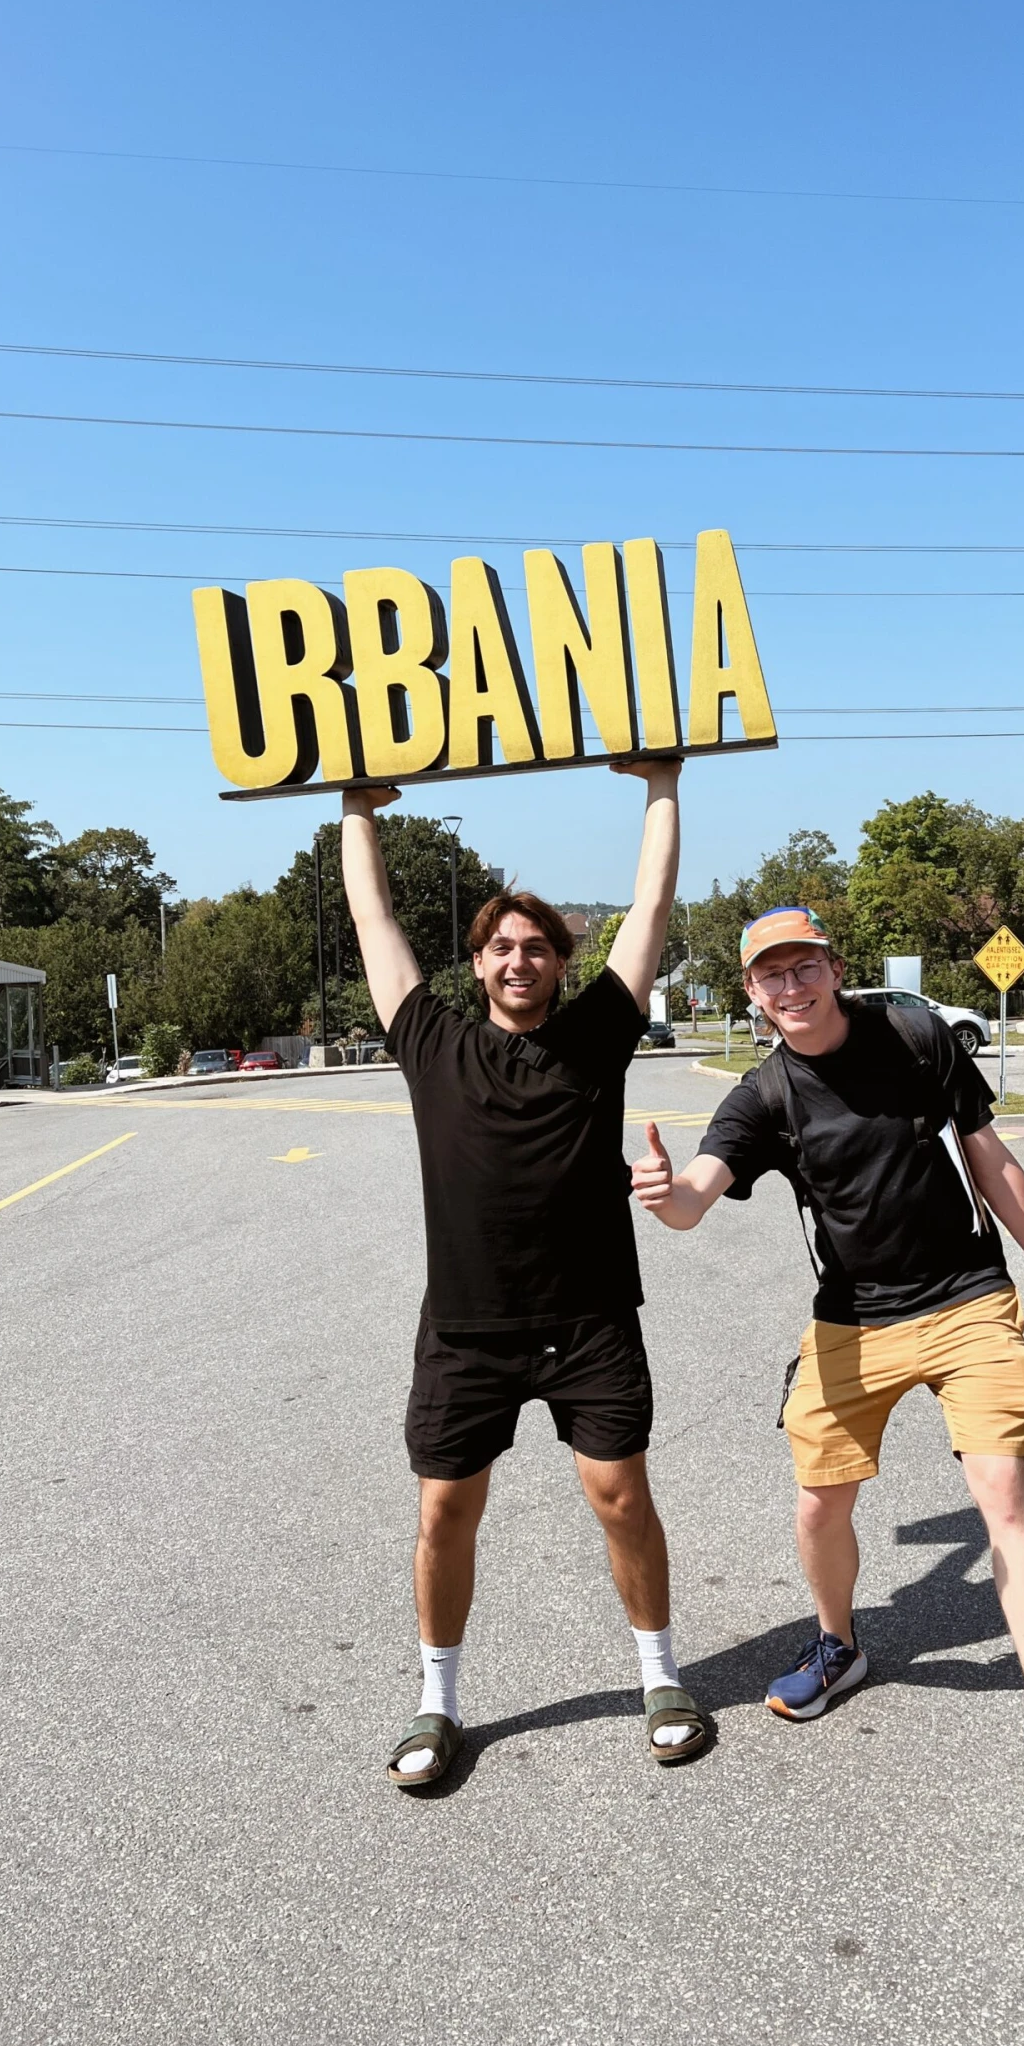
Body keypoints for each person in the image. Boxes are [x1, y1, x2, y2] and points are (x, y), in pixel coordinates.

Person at [631, 906, 1024, 1827]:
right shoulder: (765, 1095)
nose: (791, 986)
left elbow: (990, 1156)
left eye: (804, 966)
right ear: (752, 994)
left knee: (1003, 1490)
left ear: (835, 968)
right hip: (852, 1321)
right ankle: (840, 1644)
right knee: (820, 1498)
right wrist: (661, 1195)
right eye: (771, 975)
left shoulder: (916, 1035)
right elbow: (696, 1197)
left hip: (968, 1296)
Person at [342, 761, 708, 1787]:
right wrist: (355, 815)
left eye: (536, 947)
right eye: (501, 946)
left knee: (619, 1497)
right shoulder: (431, 1042)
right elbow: (374, 924)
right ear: (476, 965)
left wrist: (663, 785)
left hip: (590, 1321)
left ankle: (660, 1677)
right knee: (444, 1512)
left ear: (558, 963)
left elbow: (651, 905)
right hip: (467, 1329)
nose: (518, 959)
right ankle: (437, 1701)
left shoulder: (595, 1039)